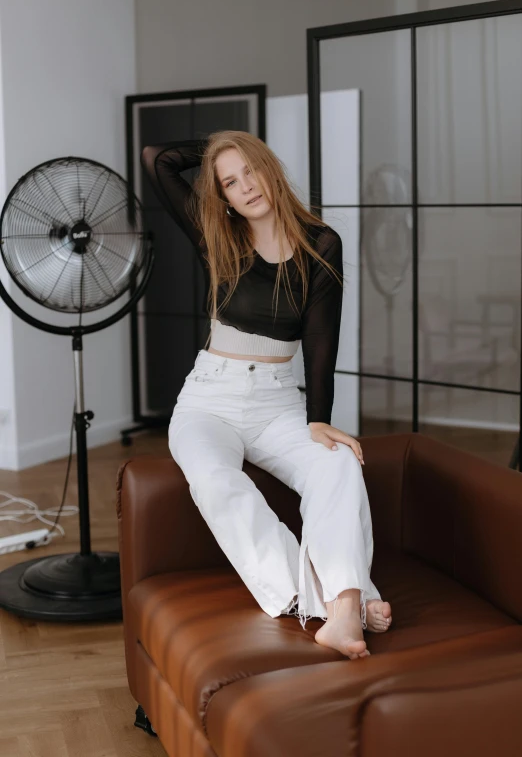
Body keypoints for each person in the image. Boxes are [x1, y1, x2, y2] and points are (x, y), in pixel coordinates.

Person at [140, 130, 392, 660]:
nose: (245, 187)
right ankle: (320, 600)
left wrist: (320, 419)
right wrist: (225, 145)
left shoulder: (322, 243)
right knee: (213, 480)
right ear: (223, 197)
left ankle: (347, 607)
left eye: (250, 171)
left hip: (279, 402)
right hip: (210, 400)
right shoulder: (217, 236)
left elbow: (324, 338)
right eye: (230, 182)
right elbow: (159, 160)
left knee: (339, 463)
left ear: (270, 170)